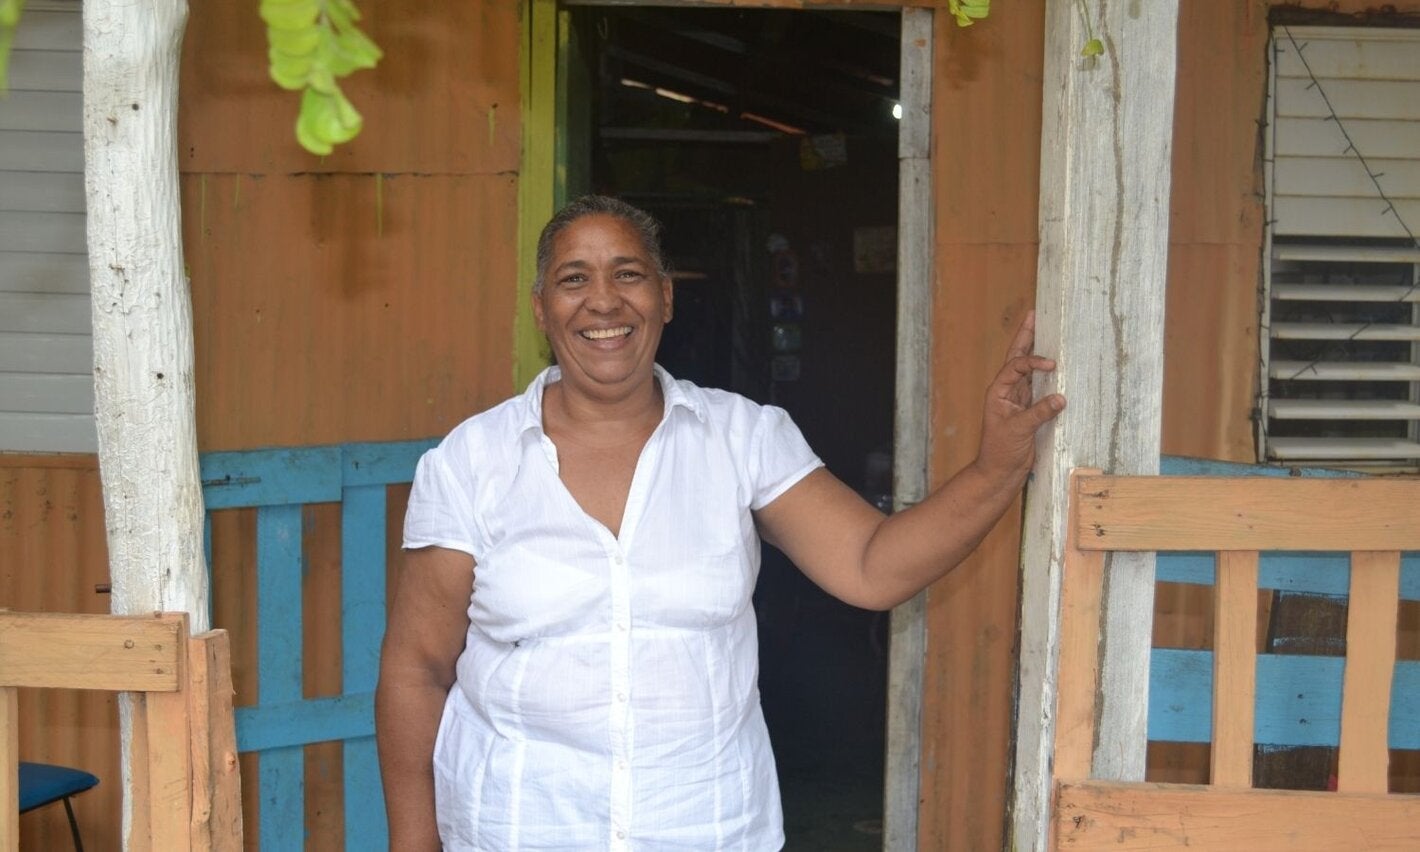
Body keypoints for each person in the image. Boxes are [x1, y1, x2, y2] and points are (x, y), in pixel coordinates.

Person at [375, 195, 1065, 851]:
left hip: (704, 828)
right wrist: (413, 841)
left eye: (628, 274)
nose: (604, 300)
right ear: (540, 309)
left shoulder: (742, 439)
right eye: (573, 278)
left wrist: (995, 468)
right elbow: (417, 668)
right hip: (515, 827)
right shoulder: (472, 461)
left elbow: (871, 566)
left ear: (665, 296)